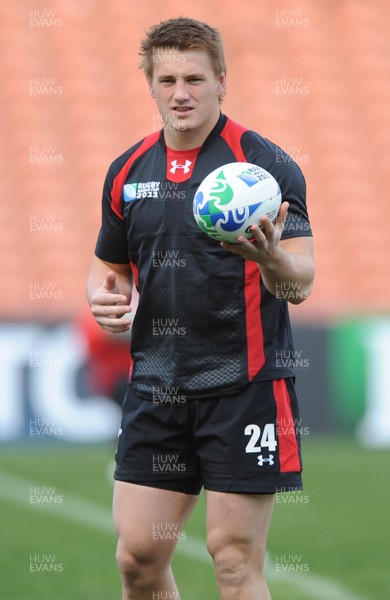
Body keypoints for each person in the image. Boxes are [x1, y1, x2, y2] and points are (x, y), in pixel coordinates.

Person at [87, 16, 314, 600]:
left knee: (233, 560)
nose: (180, 93)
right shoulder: (128, 171)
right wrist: (103, 297)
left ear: (222, 81)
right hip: (158, 386)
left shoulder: (264, 168)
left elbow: (301, 282)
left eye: (194, 78)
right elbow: (109, 268)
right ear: (151, 85)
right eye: (167, 80)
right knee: (138, 556)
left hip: (245, 384)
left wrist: (270, 260)